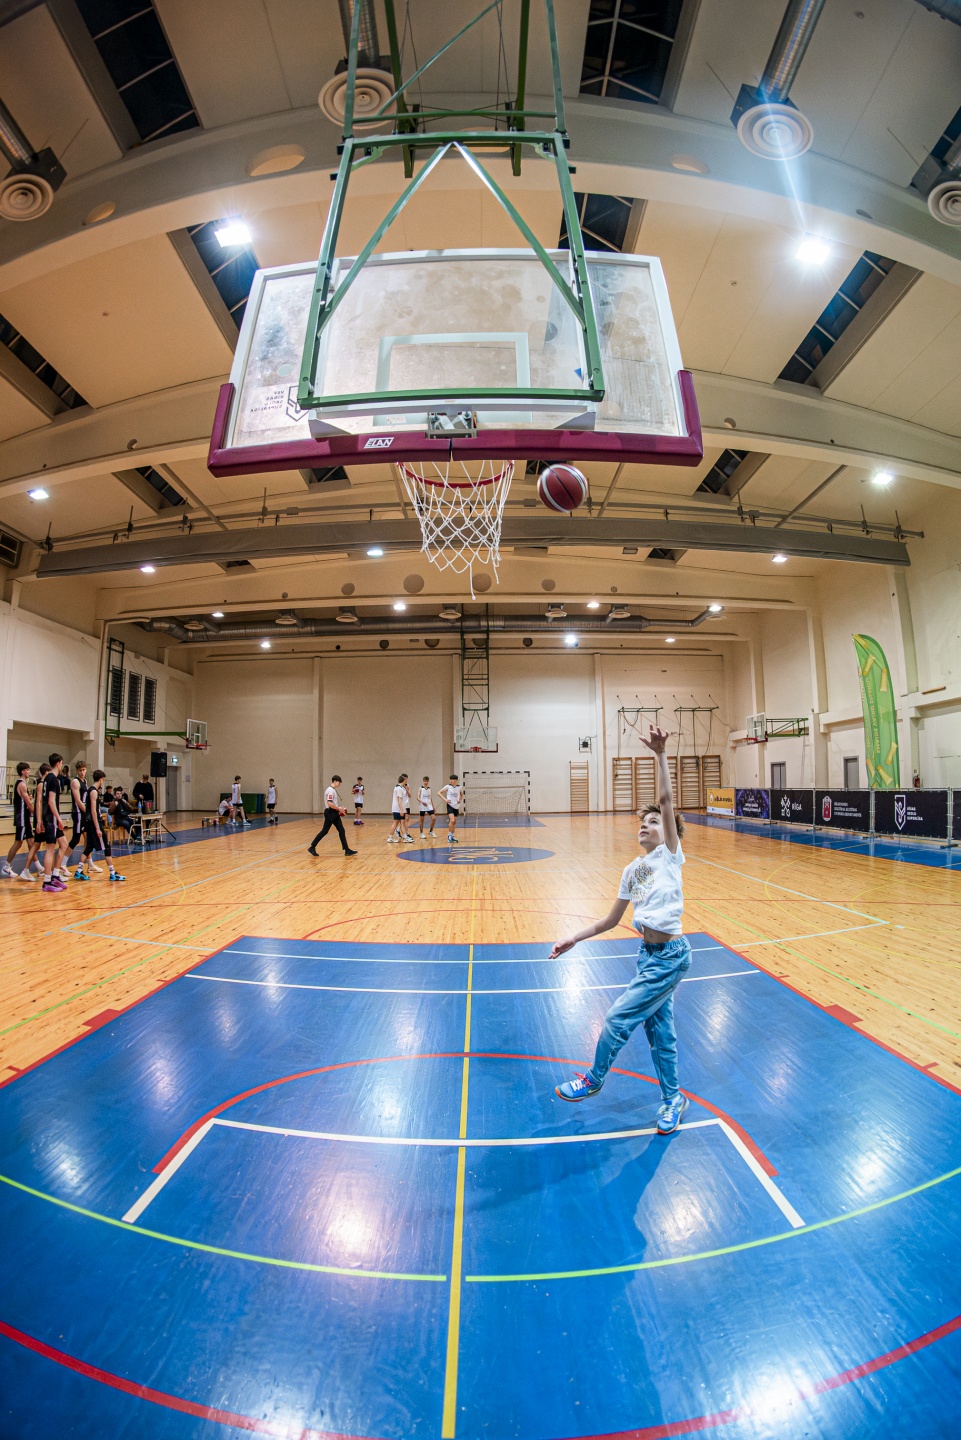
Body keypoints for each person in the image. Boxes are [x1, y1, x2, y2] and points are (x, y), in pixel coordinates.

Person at [552, 725, 691, 1135]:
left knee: (616, 1019)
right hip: (647, 957)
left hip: (671, 957)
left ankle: (593, 1079)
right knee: (660, 1032)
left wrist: (660, 755)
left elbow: (666, 800)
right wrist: (573, 938)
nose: (646, 825)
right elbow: (611, 920)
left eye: (655, 821)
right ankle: (673, 1099)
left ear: (669, 831)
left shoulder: (669, 856)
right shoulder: (634, 870)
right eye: (643, 822)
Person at [74, 770, 125, 882]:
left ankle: (78, 871)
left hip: (91, 823)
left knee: (89, 847)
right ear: (101, 779)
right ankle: (112, 873)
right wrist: (97, 828)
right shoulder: (93, 791)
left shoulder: (91, 790)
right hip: (94, 823)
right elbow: (93, 811)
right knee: (107, 846)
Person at [308, 776, 357, 856]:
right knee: (326, 830)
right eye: (339, 783)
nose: (339, 784)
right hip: (331, 813)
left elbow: (332, 803)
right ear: (335, 781)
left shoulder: (332, 790)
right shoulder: (330, 790)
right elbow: (330, 803)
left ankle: (347, 850)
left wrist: (338, 808)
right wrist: (338, 808)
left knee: (340, 830)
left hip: (333, 812)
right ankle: (312, 847)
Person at [1, 762, 34, 880]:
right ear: (23, 771)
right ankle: (6, 866)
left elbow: (25, 800)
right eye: (28, 770)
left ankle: (38, 867)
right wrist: (37, 815)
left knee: (31, 842)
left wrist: (28, 799)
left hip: (24, 817)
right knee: (18, 842)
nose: (29, 772)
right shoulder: (22, 784)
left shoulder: (22, 783)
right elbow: (28, 804)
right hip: (22, 818)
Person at [39, 753, 66, 893]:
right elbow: (50, 801)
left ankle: (55, 875)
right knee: (50, 848)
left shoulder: (47, 778)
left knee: (64, 844)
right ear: (59, 763)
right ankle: (47, 881)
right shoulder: (54, 780)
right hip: (51, 818)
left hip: (48, 817)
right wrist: (59, 819)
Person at [63, 761, 89, 879]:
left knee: (87, 837)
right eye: (80, 770)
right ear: (77, 771)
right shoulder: (75, 782)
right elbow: (78, 800)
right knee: (76, 838)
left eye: (83, 770)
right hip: (78, 812)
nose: (82, 772)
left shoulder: (85, 781)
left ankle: (90, 864)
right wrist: (87, 811)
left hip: (83, 812)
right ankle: (63, 863)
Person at [438, 774, 463, 845]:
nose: (451, 781)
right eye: (451, 779)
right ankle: (449, 836)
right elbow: (439, 793)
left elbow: (462, 795)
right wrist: (445, 799)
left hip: (456, 806)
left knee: (454, 822)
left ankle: (452, 836)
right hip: (450, 805)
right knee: (452, 820)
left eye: (453, 779)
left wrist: (460, 800)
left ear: (456, 780)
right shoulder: (448, 786)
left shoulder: (459, 787)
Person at [388, 775, 411, 843]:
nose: (406, 781)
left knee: (402, 822)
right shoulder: (398, 788)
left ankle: (405, 837)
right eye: (406, 780)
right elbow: (399, 799)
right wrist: (401, 809)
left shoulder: (402, 788)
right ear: (403, 780)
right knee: (396, 822)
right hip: (397, 809)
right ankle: (390, 837)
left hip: (401, 808)